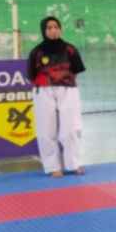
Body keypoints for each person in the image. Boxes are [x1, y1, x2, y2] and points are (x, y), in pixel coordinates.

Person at [27, 16, 87, 178]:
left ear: (60, 29)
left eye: (56, 27)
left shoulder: (70, 49)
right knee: (46, 130)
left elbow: (76, 70)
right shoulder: (36, 52)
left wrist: (66, 84)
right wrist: (47, 84)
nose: (53, 30)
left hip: (68, 90)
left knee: (72, 128)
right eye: (49, 28)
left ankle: (73, 163)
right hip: (44, 91)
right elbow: (31, 75)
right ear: (44, 31)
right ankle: (53, 166)